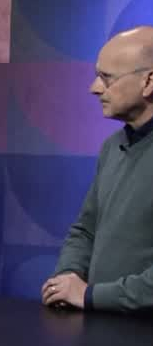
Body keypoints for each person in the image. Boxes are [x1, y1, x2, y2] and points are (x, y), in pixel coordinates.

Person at [42, 26, 153, 313]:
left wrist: (92, 295)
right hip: (99, 327)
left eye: (107, 78)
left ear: (149, 81)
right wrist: (67, 278)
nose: (94, 88)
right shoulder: (112, 147)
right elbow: (85, 230)